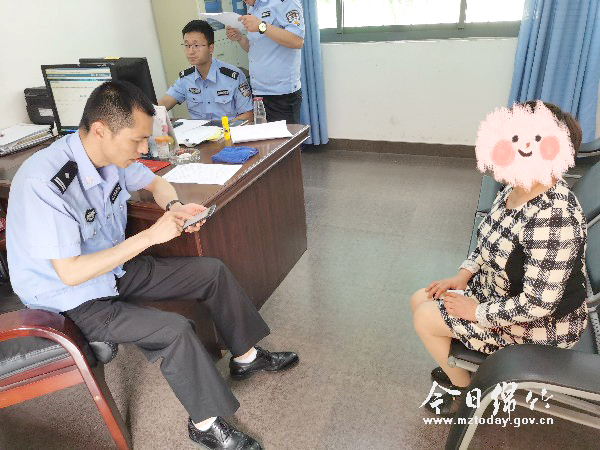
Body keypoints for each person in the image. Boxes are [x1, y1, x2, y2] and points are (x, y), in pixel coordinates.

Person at [6, 80, 299, 449]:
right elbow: (71, 272)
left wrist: (174, 208)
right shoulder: (45, 181)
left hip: (111, 270)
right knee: (174, 330)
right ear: (101, 130)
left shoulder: (111, 157)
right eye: (137, 140)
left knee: (211, 272)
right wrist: (150, 237)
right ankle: (205, 424)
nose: (144, 148)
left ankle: (246, 356)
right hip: (69, 299)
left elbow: (157, 183)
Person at [410, 101, 588, 417]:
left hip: (542, 325)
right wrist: (463, 275)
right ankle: (464, 366)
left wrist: (476, 311)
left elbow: (538, 305)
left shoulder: (553, 218)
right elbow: (489, 240)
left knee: (425, 317)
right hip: (502, 293)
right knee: (420, 298)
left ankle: (465, 391)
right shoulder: (516, 187)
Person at [226, 0, 304, 124]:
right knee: (262, 136)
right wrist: (240, 38)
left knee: (284, 136)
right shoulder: (253, 8)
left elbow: (297, 41)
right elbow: (255, 49)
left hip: (281, 94)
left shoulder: (284, 2)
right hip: (258, 93)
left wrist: (261, 26)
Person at [158, 20, 253, 122]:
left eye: (196, 46)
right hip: (198, 131)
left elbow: (248, 115)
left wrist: (224, 129)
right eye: (187, 46)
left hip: (228, 130)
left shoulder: (233, 76)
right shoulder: (186, 78)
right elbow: (162, 106)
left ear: (211, 48)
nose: (191, 51)